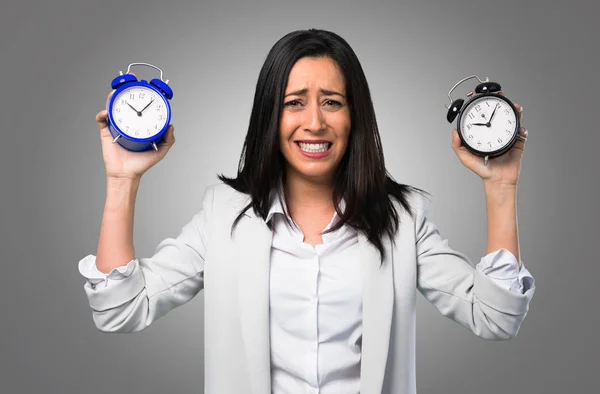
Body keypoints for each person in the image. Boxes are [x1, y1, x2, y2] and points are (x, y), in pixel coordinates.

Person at [79, 28, 535, 394]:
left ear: (355, 116)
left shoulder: (403, 219)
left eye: (332, 102)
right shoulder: (223, 216)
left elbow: (495, 317)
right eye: (294, 103)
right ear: (269, 117)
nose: (314, 122)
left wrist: (501, 185)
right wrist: (123, 180)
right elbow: (121, 310)